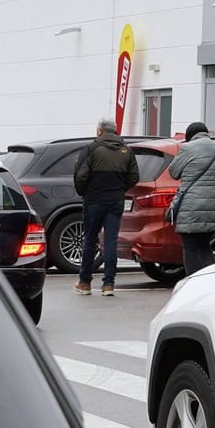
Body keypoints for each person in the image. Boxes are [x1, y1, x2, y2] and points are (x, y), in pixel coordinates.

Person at [73, 118, 140, 296]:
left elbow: (80, 175)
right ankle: (108, 284)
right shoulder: (126, 150)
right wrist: (120, 189)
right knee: (110, 242)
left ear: (100, 131)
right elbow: (134, 176)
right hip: (115, 201)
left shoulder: (92, 148)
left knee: (90, 240)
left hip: (94, 200)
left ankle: (85, 282)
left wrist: (84, 192)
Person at [168, 120, 215, 276]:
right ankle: (210, 282)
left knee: (191, 248)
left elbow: (173, 172)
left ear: (190, 136)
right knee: (204, 247)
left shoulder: (187, 148)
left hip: (192, 209)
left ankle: (194, 285)